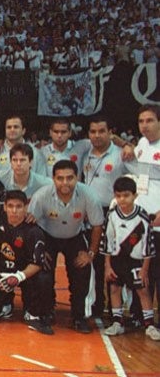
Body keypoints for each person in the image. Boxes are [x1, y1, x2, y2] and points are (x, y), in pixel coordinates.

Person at [29, 159, 104, 333]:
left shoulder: (89, 195)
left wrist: (90, 253)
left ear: (77, 178)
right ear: (53, 179)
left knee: (82, 272)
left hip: (75, 236)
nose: (65, 183)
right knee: (42, 275)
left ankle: (79, 317)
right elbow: (31, 224)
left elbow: (97, 225)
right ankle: (46, 313)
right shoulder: (41, 195)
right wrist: (38, 250)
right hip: (47, 236)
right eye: (60, 178)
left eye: (69, 178)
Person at [0, 190, 54, 335]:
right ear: (4, 207)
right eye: (11, 206)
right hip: (0, 271)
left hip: (24, 273)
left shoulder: (34, 231)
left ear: (26, 208)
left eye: (19, 207)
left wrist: (17, 277)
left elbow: (37, 264)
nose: (14, 211)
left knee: (44, 277)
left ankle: (33, 312)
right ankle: (5, 303)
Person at [101, 176, 160, 340]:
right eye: (118, 195)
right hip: (116, 260)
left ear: (135, 195)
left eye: (126, 195)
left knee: (143, 290)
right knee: (114, 289)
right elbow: (106, 241)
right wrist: (107, 265)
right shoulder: (112, 215)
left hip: (136, 261)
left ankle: (149, 326)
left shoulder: (142, 216)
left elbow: (149, 245)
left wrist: (144, 269)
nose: (122, 199)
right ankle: (117, 322)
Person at [81, 116, 128, 318]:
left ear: (111, 132)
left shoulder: (121, 155)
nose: (97, 135)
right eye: (93, 131)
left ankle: (118, 309)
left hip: (113, 213)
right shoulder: (86, 155)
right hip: (90, 214)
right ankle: (97, 305)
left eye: (102, 131)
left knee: (115, 262)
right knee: (95, 263)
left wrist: (126, 144)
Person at [126, 105, 160, 319]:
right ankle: (140, 316)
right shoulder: (140, 145)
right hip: (142, 221)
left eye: (149, 120)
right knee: (140, 272)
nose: (144, 125)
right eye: (141, 121)